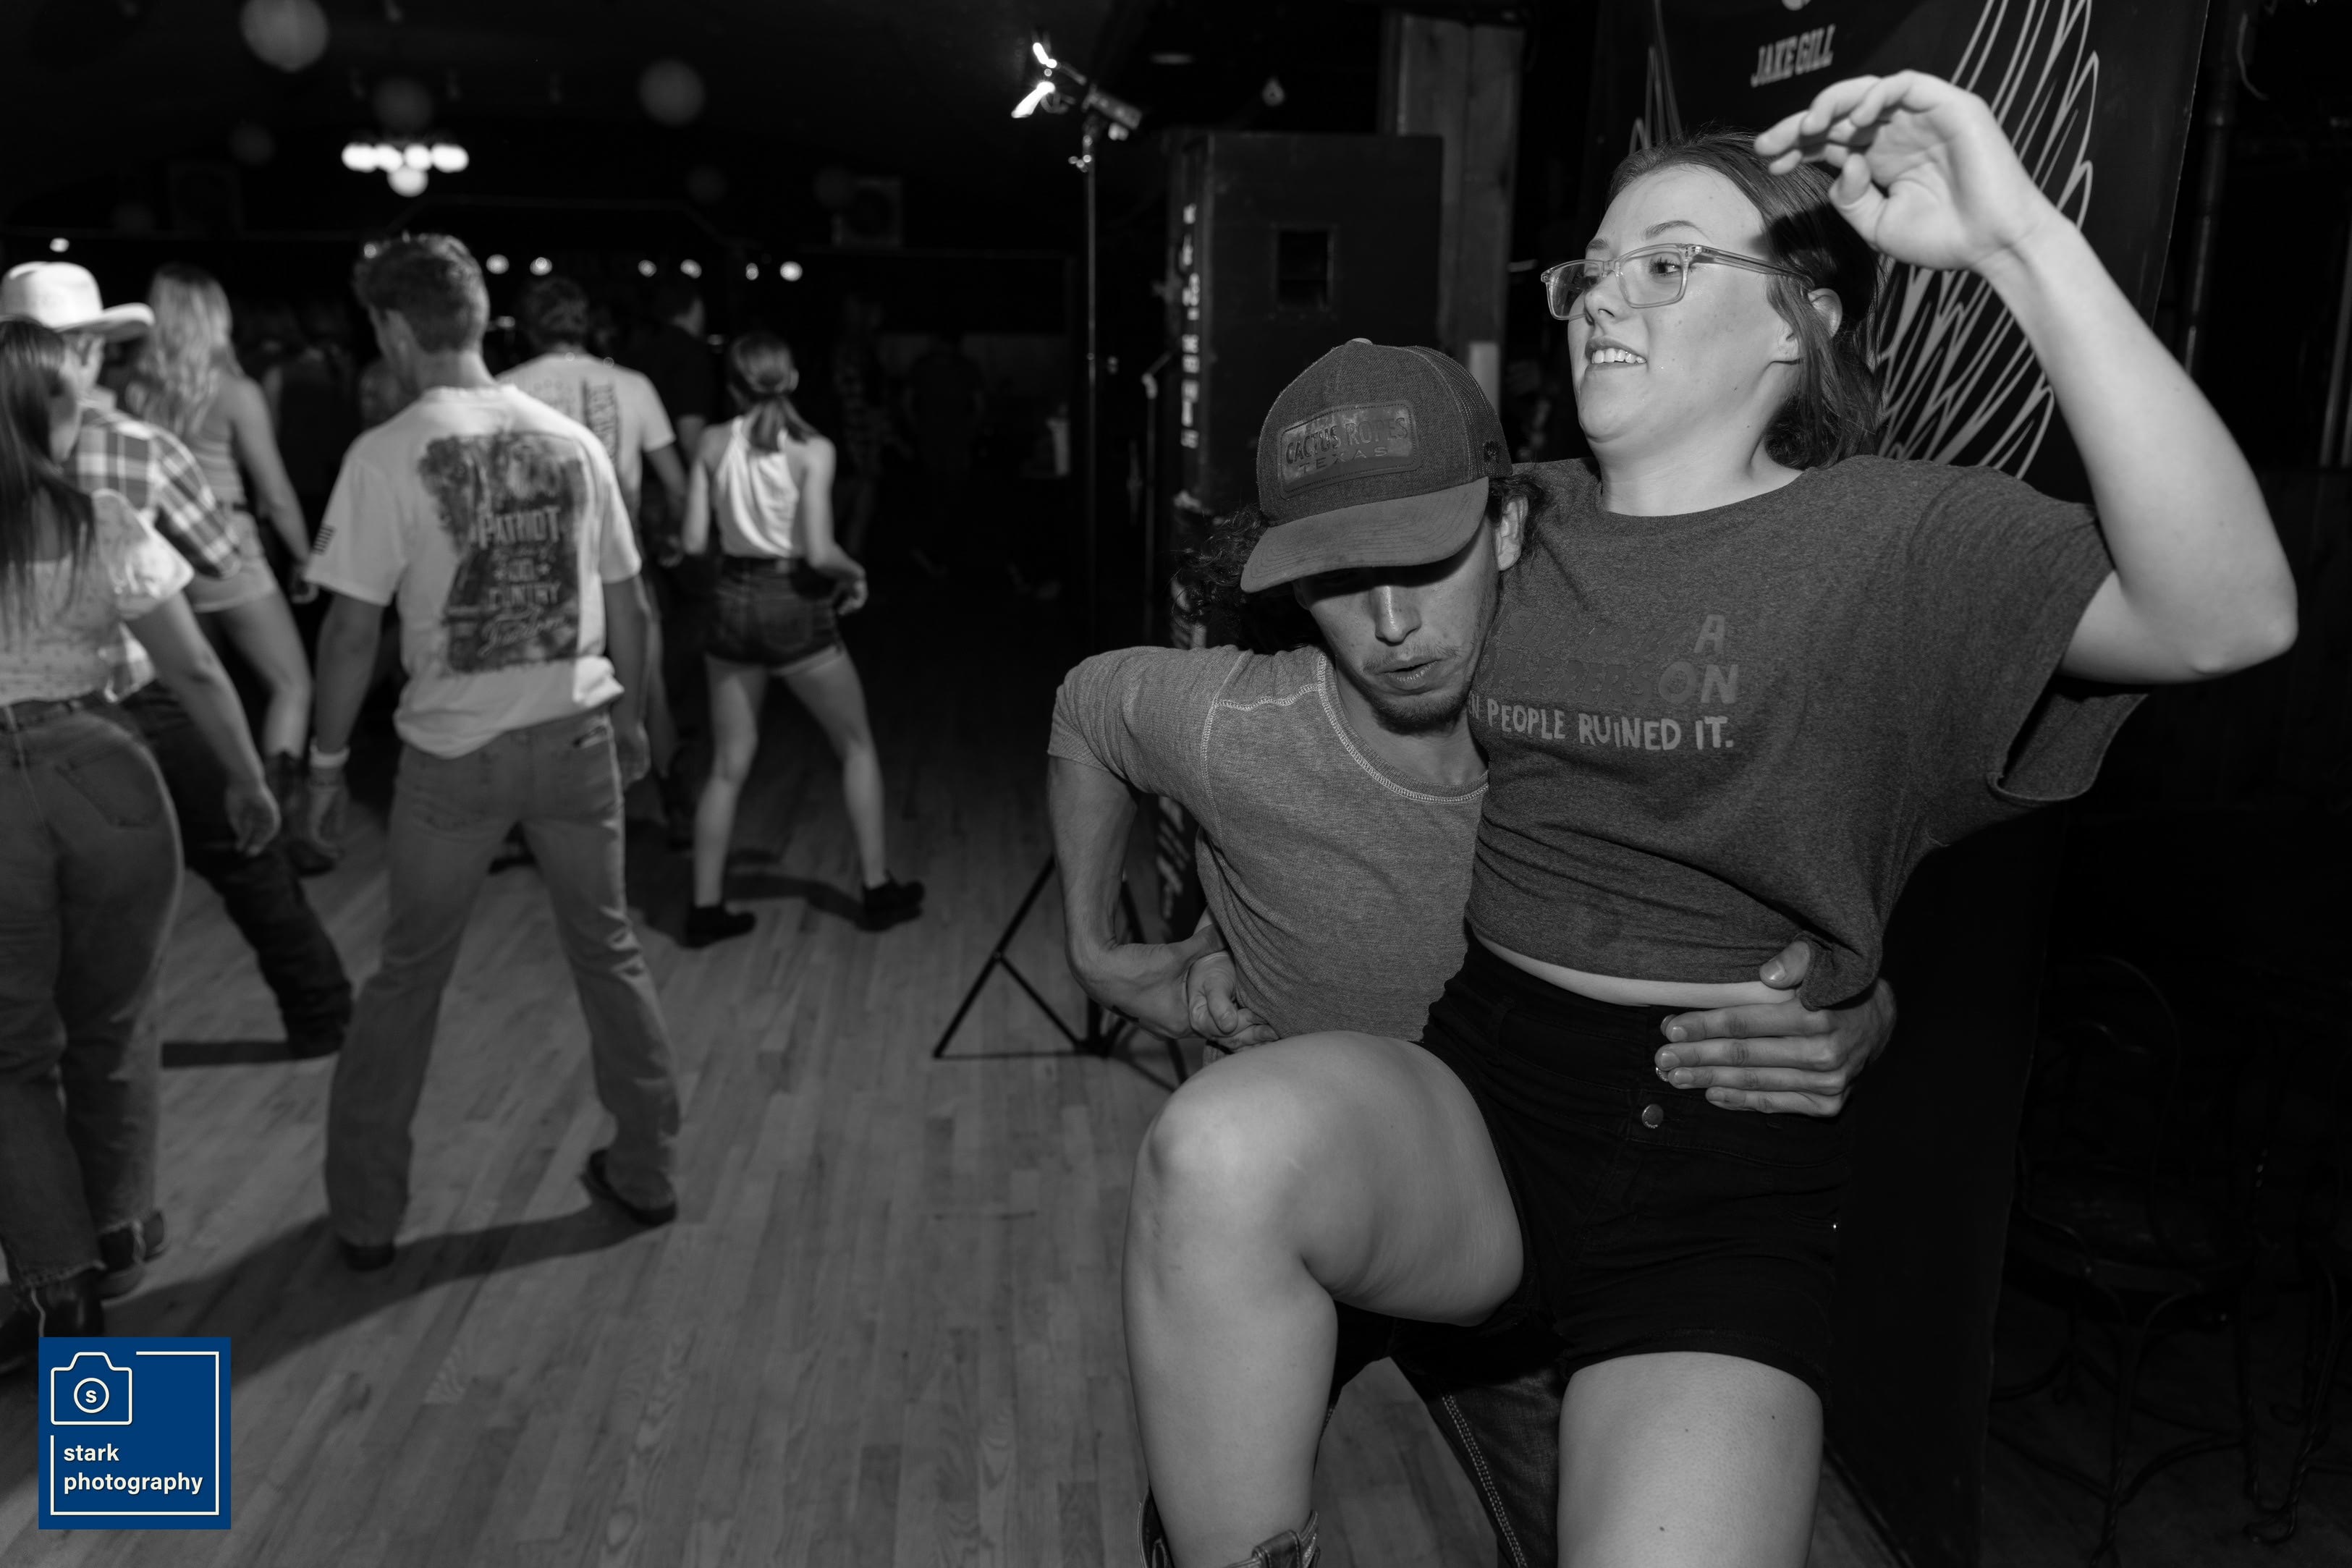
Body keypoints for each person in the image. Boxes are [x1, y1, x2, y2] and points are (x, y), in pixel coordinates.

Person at [1121, 72, 2298, 1568]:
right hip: (1486, 1102)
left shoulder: (1895, 537)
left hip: (1723, 1178)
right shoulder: (1509, 519)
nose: (1606, 296)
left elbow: (2227, 613)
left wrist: (2015, 240)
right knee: (1214, 1150)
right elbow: (1337, 607)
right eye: (1594, 269)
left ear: (1796, 321)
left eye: (1669, 264)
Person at [1049, 344, 1898, 1568]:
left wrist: (1862, 1001)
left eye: (1423, 562)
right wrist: (1099, 952)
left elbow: (1778, 878)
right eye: (1343, 580)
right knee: (1209, 1517)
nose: (1392, 626)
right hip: (1318, 1195)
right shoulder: (1237, 723)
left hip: (1544, 1208)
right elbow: (1087, 709)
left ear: (1505, 528)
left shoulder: (1611, 717)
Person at [302, 234, 682, 1270]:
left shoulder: (385, 453)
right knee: (608, 951)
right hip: (574, 740)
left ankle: (367, 1214)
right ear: (475, 319)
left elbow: (349, 634)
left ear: (393, 329)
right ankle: (648, 1169)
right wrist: (632, 722)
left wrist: (325, 768)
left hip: (451, 764)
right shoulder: (572, 442)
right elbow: (631, 604)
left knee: (408, 977)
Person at [0, 320, 279, 1371]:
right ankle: (116, 1235)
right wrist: (248, 777)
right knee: (113, 1024)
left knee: (10, 1056)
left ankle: (58, 1287)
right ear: (51, 413)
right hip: (105, 771)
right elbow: (196, 668)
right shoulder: (102, 520)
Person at [1, 263, 354, 1069]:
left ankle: (48, 1055)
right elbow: (220, 560)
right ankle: (321, 1013)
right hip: (138, 694)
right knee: (242, 860)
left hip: (20, 725)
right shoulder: (143, 448)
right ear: (88, 350)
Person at [678, 333, 923, 945]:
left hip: (731, 601)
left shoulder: (711, 443)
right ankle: (876, 889)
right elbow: (819, 551)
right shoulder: (813, 449)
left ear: (733, 385)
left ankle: (705, 909)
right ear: (790, 381)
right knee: (856, 746)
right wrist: (856, 574)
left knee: (727, 766)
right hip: (792, 602)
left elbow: (693, 542)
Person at [122, 265, 328, 868]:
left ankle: (211, 825)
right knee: (292, 685)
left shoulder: (135, 390)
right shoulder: (236, 392)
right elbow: (276, 493)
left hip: (162, 552)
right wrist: (306, 557)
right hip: (229, 548)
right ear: (216, 318)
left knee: (194, 690)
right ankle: (277, 826)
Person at [501, 275, 695, 834]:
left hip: (538, 564)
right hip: (621, 561)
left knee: (537, 692)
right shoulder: (632, 385)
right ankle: (675, 804)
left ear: (528, 329)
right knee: (647, 683)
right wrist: (674, 535)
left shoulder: (503, 390)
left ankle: (531, 820)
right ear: (586, 324)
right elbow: (676, 484)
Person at [903, 329, 985, 579]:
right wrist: (970, 432)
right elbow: (980, 406)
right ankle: (944, 551)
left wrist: (916, 429)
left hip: (935, 441)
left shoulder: (926, 366)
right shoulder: (964, 367)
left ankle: (938, 551)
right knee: (950, 496)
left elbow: (906, 403)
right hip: (953, 442)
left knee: (935, 495)